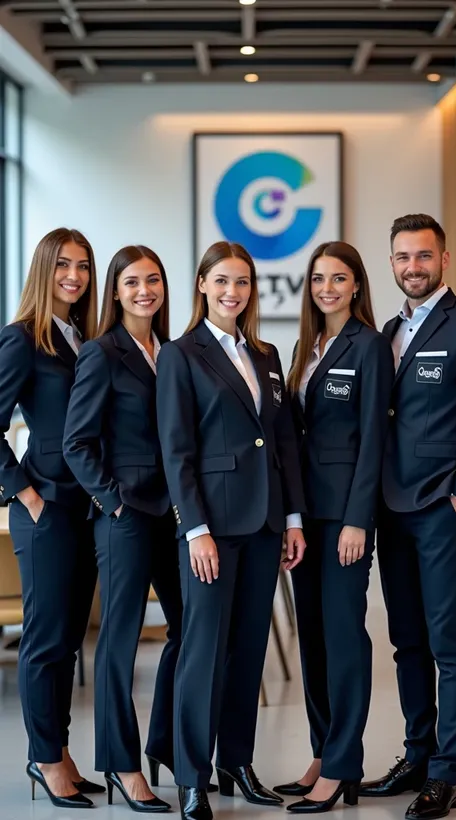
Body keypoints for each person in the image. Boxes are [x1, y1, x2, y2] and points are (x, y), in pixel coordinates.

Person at [156, 240, 306, 820]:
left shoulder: (266, 354)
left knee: (248, 650)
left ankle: (236, 763)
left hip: (266, 523)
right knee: (202, 651)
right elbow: (177, 450)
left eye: (243, 282)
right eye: (222, 280)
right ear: (201, 284)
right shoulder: (181, 354)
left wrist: (292, 518)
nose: (232, 292)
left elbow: (283, 440)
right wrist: (194, 529)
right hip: (211, 530)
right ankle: (192, 775)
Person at [359, 214, 456, 820]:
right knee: (406, 641)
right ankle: (416, 752)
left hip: (440, 510)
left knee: (448, 640)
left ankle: (446, 771)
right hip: (390, 509)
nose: (412, 268)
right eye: (402, 257)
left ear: (444, 260)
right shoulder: (388, 331)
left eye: (423, 257)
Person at [273, 242, 394, 814]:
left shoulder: (369, 347)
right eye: (319, 278)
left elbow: (374, 440)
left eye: (338, 278)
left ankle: (345, 763)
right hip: (306, 519)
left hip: (345, 519)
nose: (327, 287)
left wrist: (357, 520)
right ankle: (324, 752)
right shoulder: (306, 347)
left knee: (345, 637)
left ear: (356, 286)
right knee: (315, 638)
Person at [63, 246, 183, 813]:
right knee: (120, 639)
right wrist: (112, 503)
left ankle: (163, 744)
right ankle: (122, 765)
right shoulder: (101, 352)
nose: (144, 290)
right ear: (114, 291)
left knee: (190, 628)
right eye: (132, 281)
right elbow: (76, 443)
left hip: (176, 513)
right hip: (126, 515)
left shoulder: (173, 351)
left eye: (153, 280)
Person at [0, 228, 100, 809]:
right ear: (44, 270)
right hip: (47, 511)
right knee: (44, 641)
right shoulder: (22, 340)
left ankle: (59, 753)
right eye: (63, 265)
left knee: (67, 642)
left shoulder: (81, 337)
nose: (75, 276)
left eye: (84, 266)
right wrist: (27, 495)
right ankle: (44, 757)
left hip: (83, 510)